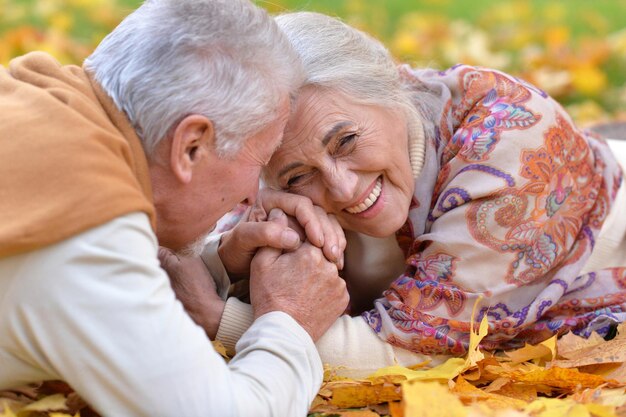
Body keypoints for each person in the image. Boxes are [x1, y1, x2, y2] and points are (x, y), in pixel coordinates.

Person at [193, 11, 626, 372]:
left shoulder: (510, 142)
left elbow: (411, 352)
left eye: (345, 141)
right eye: (297, 176)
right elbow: (202, 257)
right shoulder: (287, 170)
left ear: (392, 88)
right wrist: (231, 259)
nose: (342, 188)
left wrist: (221, 319)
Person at [0, 2, 349, 416]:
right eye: (261, 159)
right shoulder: (87, 239)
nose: (251, 197)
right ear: (191, 146)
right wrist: (291, 321)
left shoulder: (36, 99)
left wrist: (217, 265)